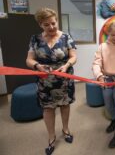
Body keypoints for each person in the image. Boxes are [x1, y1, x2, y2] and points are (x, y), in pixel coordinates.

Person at [26, 8, 77, 155]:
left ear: (57, 21)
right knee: (48, 108)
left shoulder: (66, 37)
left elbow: (73, 56)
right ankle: (51, 136)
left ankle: (65, 129)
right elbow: (29, 60)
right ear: (40, 24)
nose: (51, 27)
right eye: (46, 25)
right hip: (44, 80)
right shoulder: (35, 39)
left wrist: (67, 65)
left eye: (53, 23)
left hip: (64, 78)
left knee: (65, 105)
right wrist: (37, 65)